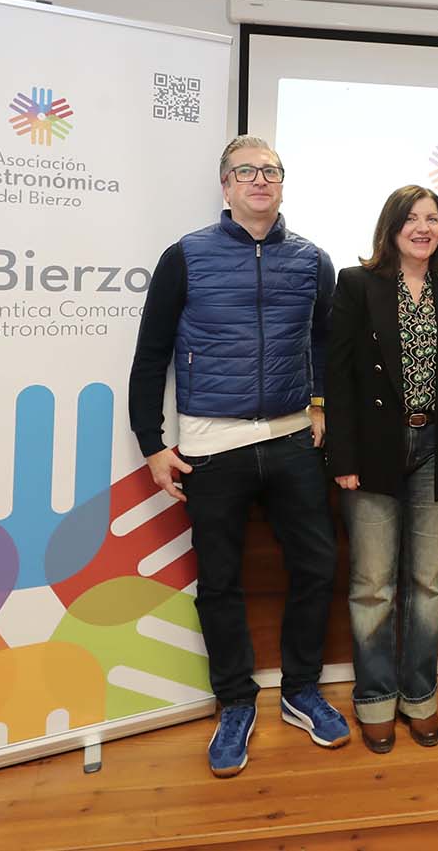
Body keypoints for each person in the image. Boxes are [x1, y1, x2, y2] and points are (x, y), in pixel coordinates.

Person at [129, 134, 348, 778]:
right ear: (225, 186)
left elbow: (325, 343)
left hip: (289, 441)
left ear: (283, 183)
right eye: (245, 172)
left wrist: (321, 404)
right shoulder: (186, 256)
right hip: (210, 448)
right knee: (220, 582)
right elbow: (151, 354)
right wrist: (150, 443)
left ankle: (302, 691)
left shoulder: (314, 260)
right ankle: (235, 702)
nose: (259, 180)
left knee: (316, 566)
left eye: (270, 170)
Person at [325, 185, 438, 753]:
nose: (424, 227)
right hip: (373, 448)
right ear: (391, 227)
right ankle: (374, 698)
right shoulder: (357, 284)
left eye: (434, 219)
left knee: (427, 584)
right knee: (373, 586)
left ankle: (420, 696)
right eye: (413, 218)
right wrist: (341, 457)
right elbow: (337, 376)